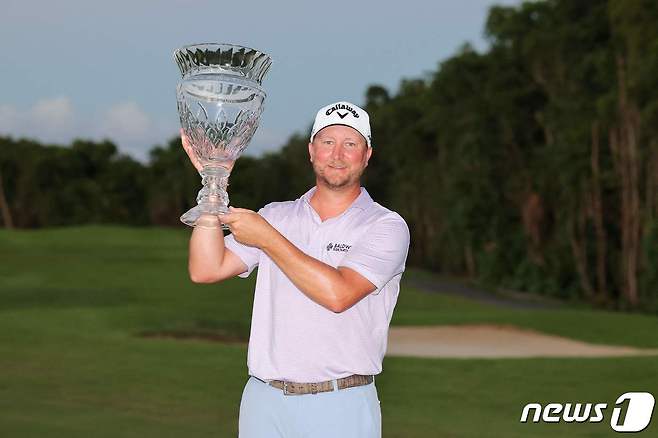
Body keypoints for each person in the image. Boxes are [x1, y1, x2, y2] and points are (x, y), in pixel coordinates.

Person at [182, 101, 410, 438]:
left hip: (340, 402)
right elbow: (206, 268)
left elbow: (338, 294)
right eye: (327, 142)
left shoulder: (386, 226)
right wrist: (213, 183)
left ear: (367, 155)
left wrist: (268, 238)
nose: (337, 154)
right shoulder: (276, 215)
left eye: (350, 144)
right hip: (264, 400)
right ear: (311, 151)